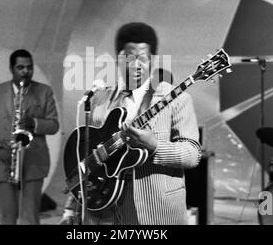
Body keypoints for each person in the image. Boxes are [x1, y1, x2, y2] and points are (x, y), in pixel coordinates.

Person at [60, 22, 202, 225]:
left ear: (152, 60)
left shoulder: (176, 99)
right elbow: (87, 159)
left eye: (143, 59)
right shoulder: (99, 99)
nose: (136, 65)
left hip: (157, 212)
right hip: (105, 210)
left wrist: (155, 146)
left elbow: (193, 154)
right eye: (129, 58)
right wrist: (70, 209)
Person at [0, 49, 59, 224]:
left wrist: (34, 123)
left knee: (30, 218)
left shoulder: (44, 91)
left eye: (29, 67)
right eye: (20, 67)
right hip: (4, 160)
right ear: (11, 68)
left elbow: (54, 125)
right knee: (7, 217)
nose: (25, 72)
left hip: (34, 161)